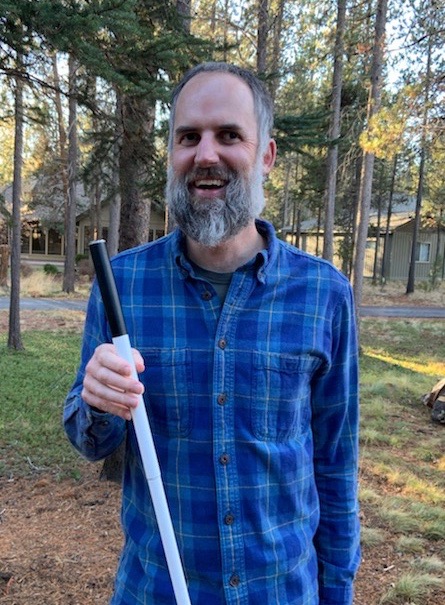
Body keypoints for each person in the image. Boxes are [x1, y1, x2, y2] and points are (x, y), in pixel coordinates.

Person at [64, 61, 360, 605]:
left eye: (228, 135)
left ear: (265, 155)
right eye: (188, 137)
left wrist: (336, 591)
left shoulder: (325, 294)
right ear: (172, 156)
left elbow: (336, 468)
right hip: (154, 591)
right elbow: (88, 438)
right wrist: (98, 402)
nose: (205, 154)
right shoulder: (121, 284)